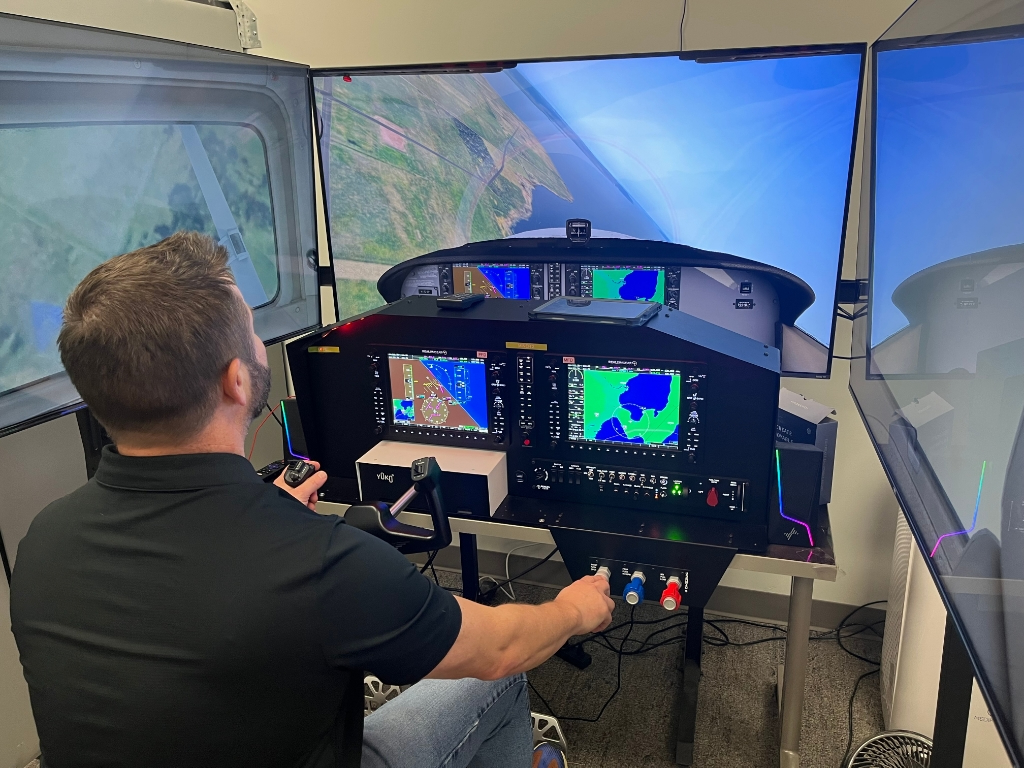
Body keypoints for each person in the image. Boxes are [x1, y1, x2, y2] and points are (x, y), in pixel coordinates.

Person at [9, 232, 614, 768]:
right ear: (236, 379)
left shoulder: (45, 539)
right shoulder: (321, 565)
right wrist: (573, 611)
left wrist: (262, 517)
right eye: (250, 329)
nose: (256, 338)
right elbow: (501, 647)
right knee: (498, 683)